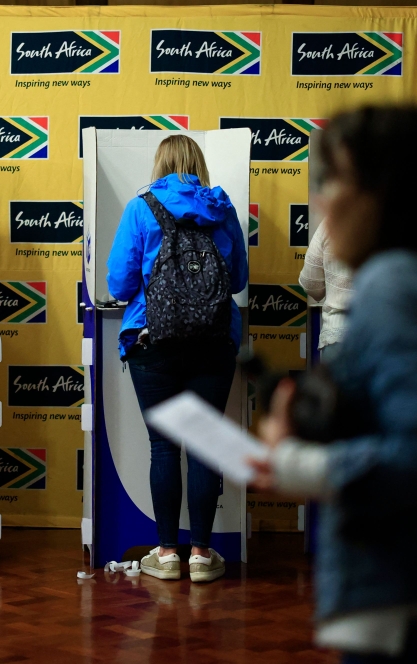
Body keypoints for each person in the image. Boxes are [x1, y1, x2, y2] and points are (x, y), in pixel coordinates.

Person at [250, 107, 417, 662]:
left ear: (386, 193)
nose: (321, 201)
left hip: (414, 606)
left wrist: (292, 461)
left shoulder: (398, 287)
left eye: (336, 180)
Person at [106, 135, 248, 583]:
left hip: (153, 343)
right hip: (214, 342)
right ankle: (203, 556)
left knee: (164, 447)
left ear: (160, 164)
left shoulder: (141, 208)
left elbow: (119, 283)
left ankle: (167, 555)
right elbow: (239, 279)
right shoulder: (221, 208)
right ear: (197, 164)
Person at [299, 219, 354, 362]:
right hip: (388, 340)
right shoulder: (404, 221)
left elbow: (310, 284)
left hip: (338, 335)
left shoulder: (332, 222)